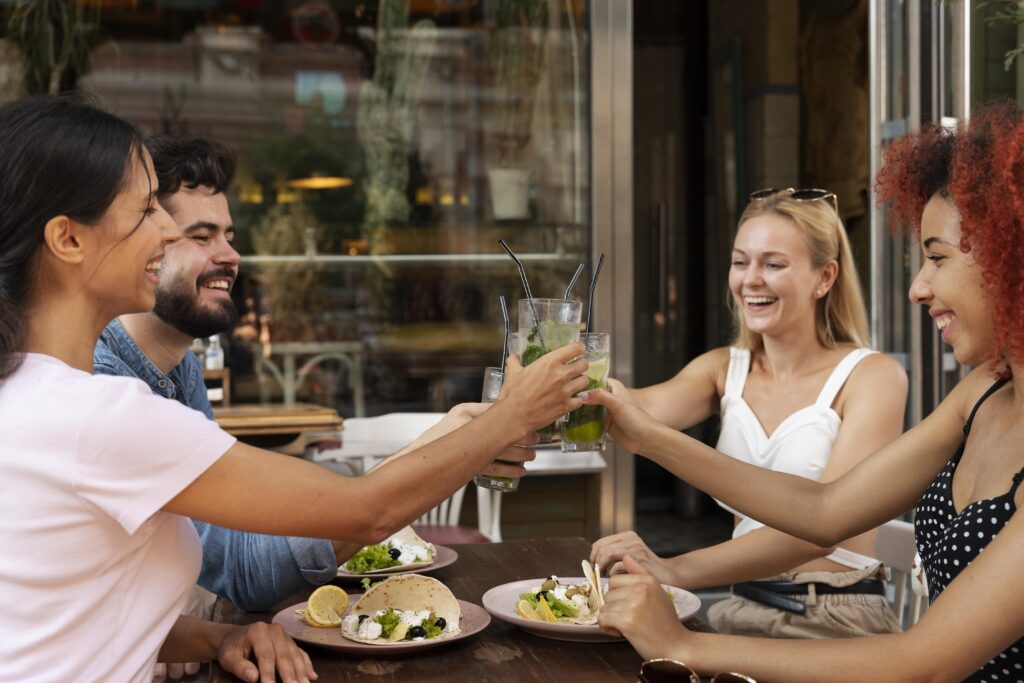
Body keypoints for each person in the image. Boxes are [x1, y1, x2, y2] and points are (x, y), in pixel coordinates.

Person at [0, 94, 587, 682]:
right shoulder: (99, 416)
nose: (164, 231)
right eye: (147, 209)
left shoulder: (37, 390)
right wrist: (508, 418)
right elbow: (367, 511)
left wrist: (217, 638)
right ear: (68, 240)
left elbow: (71, 609)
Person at [586, 103, 1024, 681]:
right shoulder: (984, 393)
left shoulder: (882, 377)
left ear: (1008, 256)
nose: (919, 287)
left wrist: (686, 644)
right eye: (742, 262)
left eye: (936, 258)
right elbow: (825, 510)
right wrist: (639, 432)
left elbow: (924, 663)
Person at [93, 135, 530, 613]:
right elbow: (245, 570)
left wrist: (453, 435)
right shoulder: (107, 386)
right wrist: (482, 433)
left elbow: (220, 548)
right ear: (144, 248)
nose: (230, 256)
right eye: (202, 237)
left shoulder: (180, 370)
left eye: (229, 237)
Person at [590, 188, 906, 638]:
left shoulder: (872, 377)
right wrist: (558, 386)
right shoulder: (723, 369)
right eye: (741, 262)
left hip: (834, 616)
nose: (750, 279)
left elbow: (821, 529)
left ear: (825, 277)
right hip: (740, 609)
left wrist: (675, 569)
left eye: (773, 264)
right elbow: (635, 406)